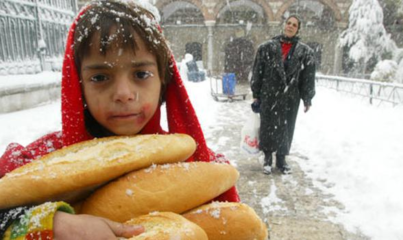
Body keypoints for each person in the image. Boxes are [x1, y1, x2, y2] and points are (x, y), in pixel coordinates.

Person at [0, 1, 239, 239]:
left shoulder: (202, 169)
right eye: (101, 76)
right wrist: (50, 223)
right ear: (77, 85)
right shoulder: (36, 165)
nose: (123, 93)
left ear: (164, 81)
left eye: (141, 74)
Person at [250, 15, 316, 175]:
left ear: (298, 29)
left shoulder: (305, 52)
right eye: (288, 23)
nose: (290, 26)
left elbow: (308, 77)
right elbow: (258, 71)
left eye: (294, 25)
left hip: (291, 97)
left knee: (286, 127)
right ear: (284, 25)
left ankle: (281, 159)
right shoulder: (266, 47)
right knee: (268, 126)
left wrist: (307, 98)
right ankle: (267, 159)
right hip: (269, 94)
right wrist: (256, 93)